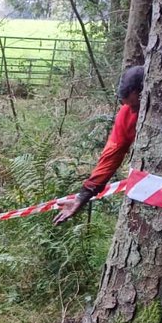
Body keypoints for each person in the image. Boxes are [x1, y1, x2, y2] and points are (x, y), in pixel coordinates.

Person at [54, 64, 145, 224]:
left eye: (135, 105)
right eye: (128, 104)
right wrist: (83, 195)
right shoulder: (127, 112)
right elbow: (112, 154)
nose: (132, 110)